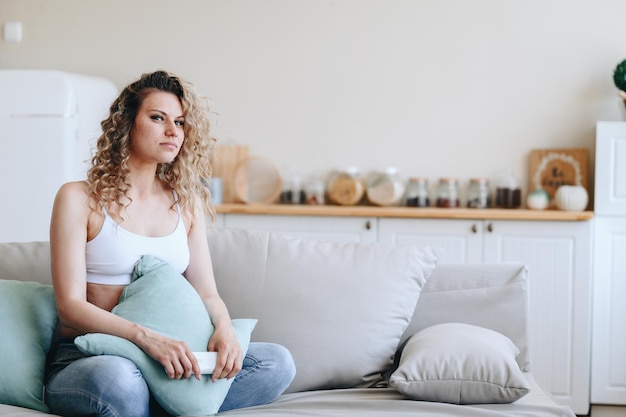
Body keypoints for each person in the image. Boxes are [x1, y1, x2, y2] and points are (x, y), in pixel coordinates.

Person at [44, 70, 296, 417]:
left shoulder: (186, 202)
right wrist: (147, 338)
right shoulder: (79, 198)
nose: (172, 131)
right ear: (125, 123)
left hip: (173, 361)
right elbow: (70, 307)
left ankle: (159, 402)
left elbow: (207, 292)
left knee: (276, 363)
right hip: (95, 357)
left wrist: (225, 330)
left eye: (179, 122)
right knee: (119, 381)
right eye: (157, 118)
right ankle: (168, 403)